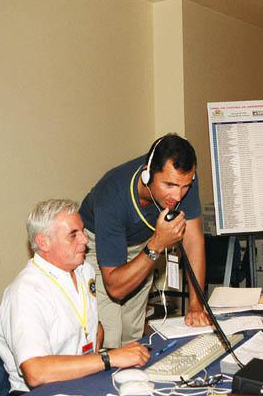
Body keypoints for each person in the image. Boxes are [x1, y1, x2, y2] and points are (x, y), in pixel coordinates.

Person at [0, 200, 150, 392]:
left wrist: (95, 348)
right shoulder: (25, 292)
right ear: (44, 242)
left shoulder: (85, 270)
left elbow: (92, 325)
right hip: (42, 395)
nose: (85, 240)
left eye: (82, 231)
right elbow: (35, 372)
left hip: (81, 379)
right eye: (73, 235)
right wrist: (106, 359)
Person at [79, 134, 211, 348]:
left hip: (144, 243)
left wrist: (196, 305)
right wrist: (157, 245)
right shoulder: (111, 196)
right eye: (169, 185)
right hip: (98, 245)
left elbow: (193, 241)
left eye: (185, 186)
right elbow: (115, 288)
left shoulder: (182, 179)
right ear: (147, 173)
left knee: (132, 335)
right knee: (110, 336)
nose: (178, 196)